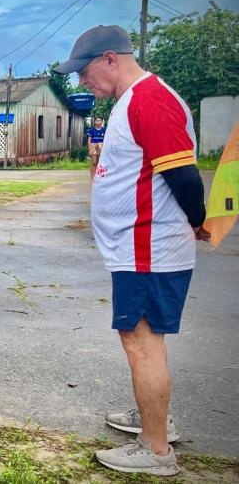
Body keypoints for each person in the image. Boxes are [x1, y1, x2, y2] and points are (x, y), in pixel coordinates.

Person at [54, 25, 210, 477]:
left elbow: (182, 174)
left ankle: (156, 449)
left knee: (142, 343)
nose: (82, 83)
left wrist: (197, 219)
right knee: (145, 343)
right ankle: (154, 421)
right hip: (141, 249)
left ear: (110, 58)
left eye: (84, 73)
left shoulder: (149, 99)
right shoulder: (133, 101)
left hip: (148, 250)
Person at [86, 116, 106, 181]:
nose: (98, 122)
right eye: (96, 120)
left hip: (101, 146)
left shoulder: (104, 130)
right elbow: (89, 141)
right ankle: (93, 177)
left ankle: (99, 177)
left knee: (100, 163)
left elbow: (105, 140)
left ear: (102, 121)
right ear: (94, 122)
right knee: (94, 163)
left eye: (99, 120)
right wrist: (90, 149)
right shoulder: (91, 130)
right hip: (93, 146)